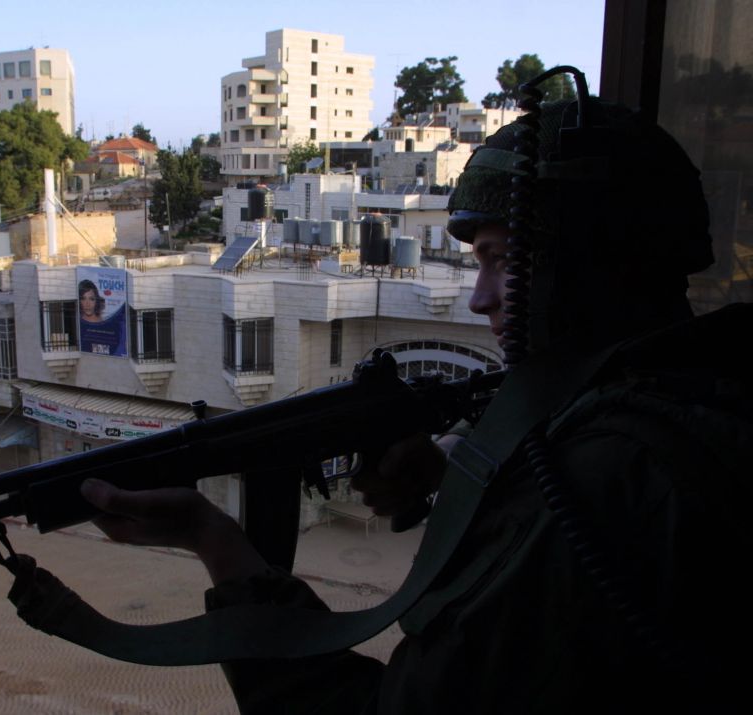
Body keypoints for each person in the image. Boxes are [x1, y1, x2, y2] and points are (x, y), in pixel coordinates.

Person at [80, 96, 752, 713]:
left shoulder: (599, 489)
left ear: (586, 263)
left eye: (500, 262)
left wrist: (215, 540)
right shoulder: (693, 393)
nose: (481, 296)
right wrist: (456, 478)